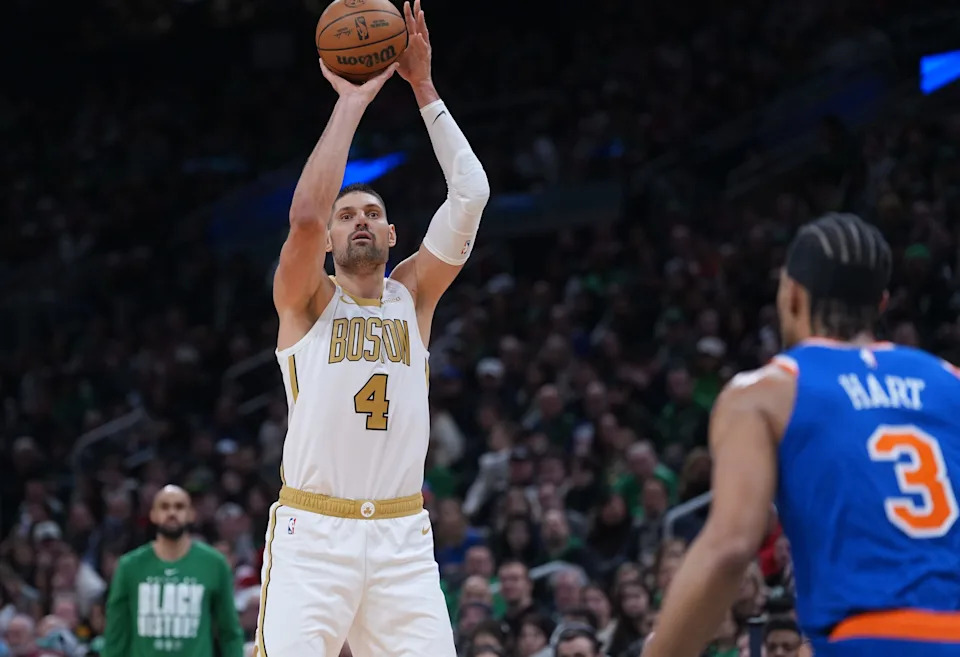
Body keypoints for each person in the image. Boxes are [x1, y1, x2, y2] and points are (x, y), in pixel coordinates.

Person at [255, 0, 490, 655]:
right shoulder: (305, 302)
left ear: (391, 234)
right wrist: (351, 104)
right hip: (315, 536)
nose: (357, 218)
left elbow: (471, 195)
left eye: (372, 212)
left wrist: (423, 87)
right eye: (347, 213)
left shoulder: (413, 295)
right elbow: (305, 215)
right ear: (331, 242)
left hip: (399, 541)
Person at [645, 213, 960, 657]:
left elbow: (731, 546)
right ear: (882, 304)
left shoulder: (766, 392)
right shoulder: (951, 382)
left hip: (864, 639)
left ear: (791, 296)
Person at [103, 485, 243, 657]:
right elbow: (115, 635)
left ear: (191, 514)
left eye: (179, 506)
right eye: (164, 507)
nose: (172, 513)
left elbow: (229, 632)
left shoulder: (215, 564)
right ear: (153, 514)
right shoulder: (129, 566)